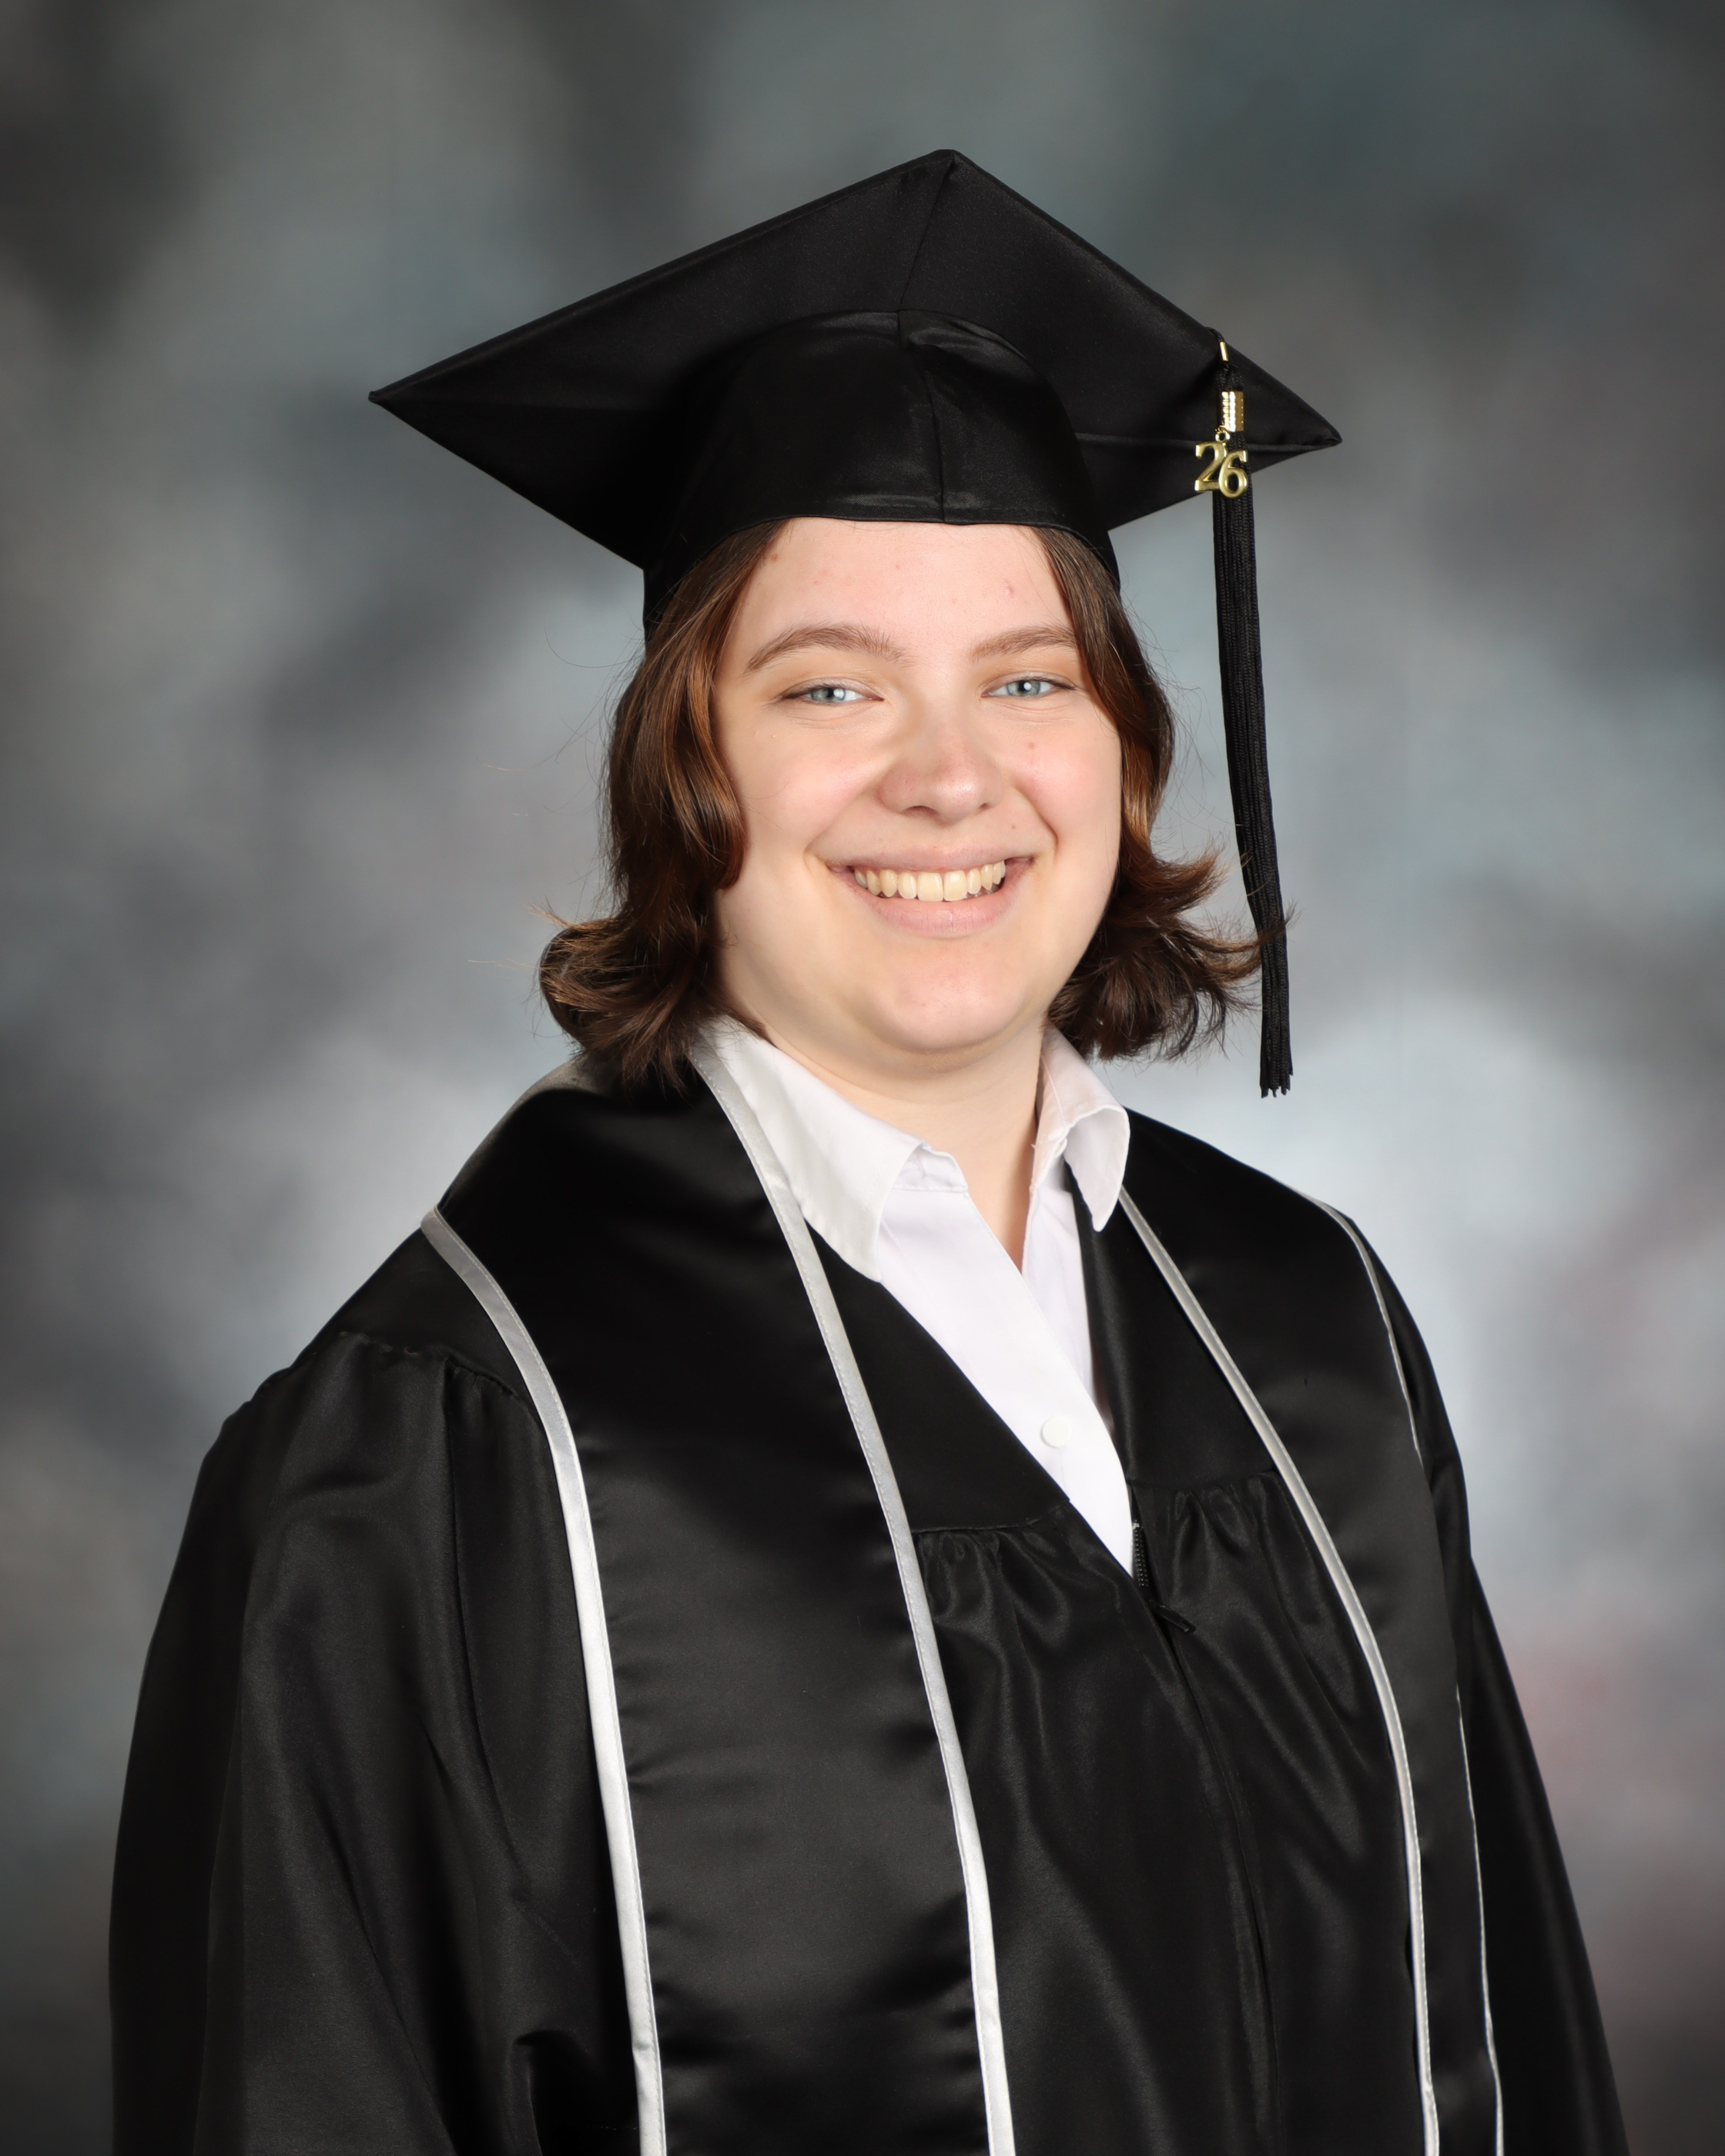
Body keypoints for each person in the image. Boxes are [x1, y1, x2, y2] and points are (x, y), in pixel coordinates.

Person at [110, 151, 1626, 2156]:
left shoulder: (1313, 1329)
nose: (949, 776)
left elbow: (1516, 2040)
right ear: (688, 764)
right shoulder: (441, 1447)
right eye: (831, 685)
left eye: (1029, 679)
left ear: (1123, 751)